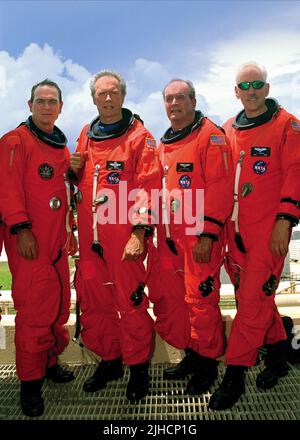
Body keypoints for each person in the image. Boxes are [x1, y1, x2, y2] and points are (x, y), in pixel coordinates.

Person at [209, 62, 300, 410]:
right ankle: (277, 357)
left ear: (267, 88)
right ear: (236, 91)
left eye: (257, 84)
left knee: (249, 304)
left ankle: (235, 376)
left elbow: (296, 173)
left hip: (268, 234)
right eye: (244, 85)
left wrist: (285, 220)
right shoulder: (230, 128)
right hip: (234, 233)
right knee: (258, 300)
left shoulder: (287, 126)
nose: (251, 91)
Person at [70, 70, 160, 403]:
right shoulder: (86, 134)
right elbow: (81, 181)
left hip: (124, 237)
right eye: (101, 94)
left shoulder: (140, 137)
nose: (107, 99)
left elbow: (150, 188)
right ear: (93, 98)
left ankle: (138, 370)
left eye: (113, 93)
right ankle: (110, 361)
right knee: (96, 302)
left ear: (122, 96)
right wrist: (71, 172)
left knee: (131, 302)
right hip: (91, 238)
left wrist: (139, 232)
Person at [148, 79, 233, 395]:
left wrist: (208, 235)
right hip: (170, 240)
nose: (174, 104)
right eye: (168, 99)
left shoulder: (210, 137)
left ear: (193, 101)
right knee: (177, 303)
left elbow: (221, 189)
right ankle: (192, 356)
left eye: (180, 98)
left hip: (199, 238)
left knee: (200, 302)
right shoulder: (164, 144)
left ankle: (208, 366)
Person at [0, 79, 77, 417]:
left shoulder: (59, 146)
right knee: (33, 314)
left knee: (57, 309)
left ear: (61, 107)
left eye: (53, 101)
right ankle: (30, 387)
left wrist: (69, 231)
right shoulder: (15, 141)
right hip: (29, 243)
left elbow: (59, 194)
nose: (47, 107)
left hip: (55, 243)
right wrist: (21, 228)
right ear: (29, 105)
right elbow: (7, 189)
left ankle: (48, 364)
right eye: (41, 101)